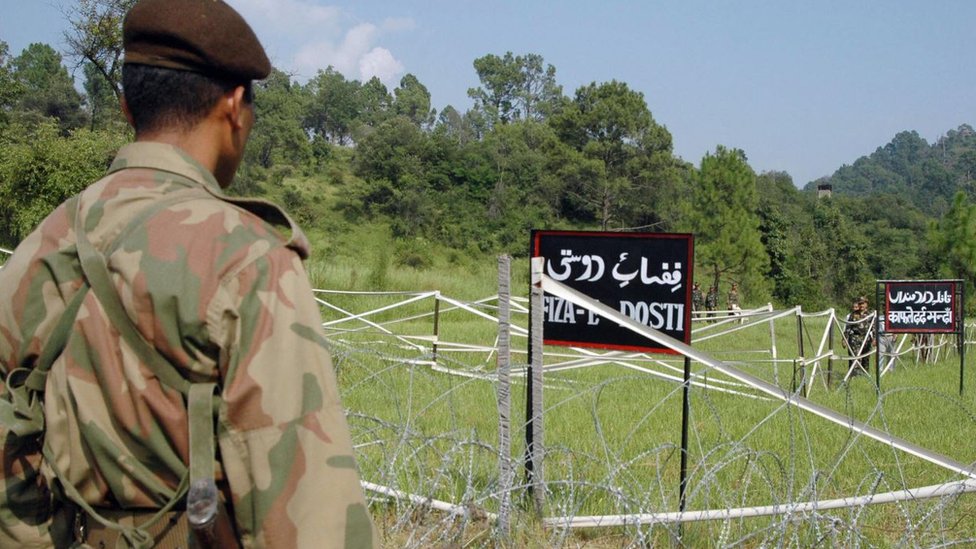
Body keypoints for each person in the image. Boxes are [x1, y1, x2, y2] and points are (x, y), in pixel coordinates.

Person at [0, 1, 376, 547]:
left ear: (128, 108)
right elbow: (310, 517)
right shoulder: (249, 262)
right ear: (234, 105)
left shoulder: (39, 247)